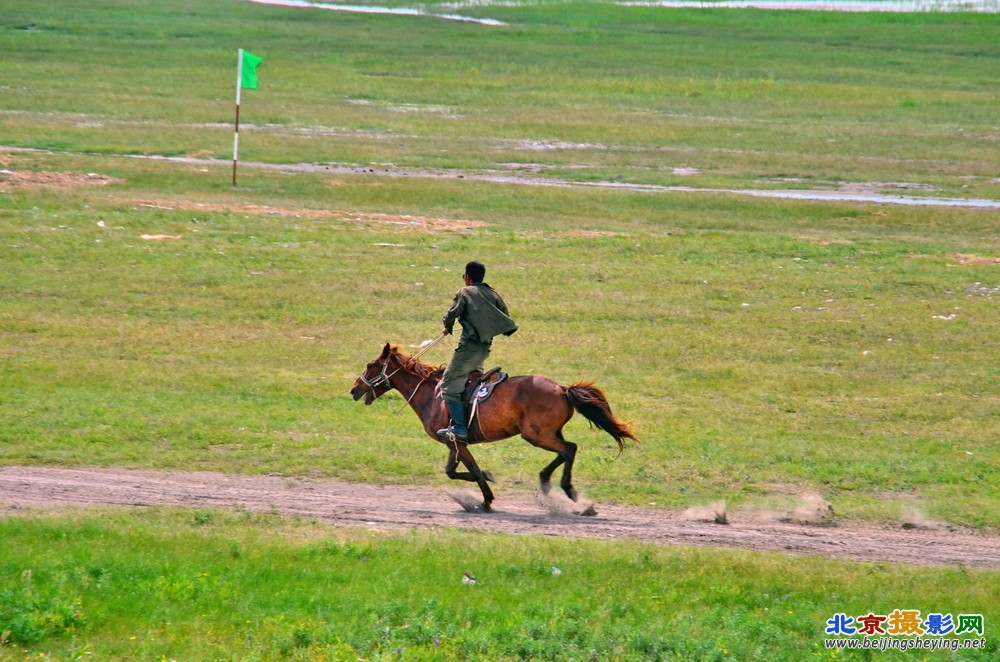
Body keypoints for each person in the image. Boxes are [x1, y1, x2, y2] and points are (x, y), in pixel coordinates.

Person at [437, 261, 517, 442]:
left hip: (468, 349)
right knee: (472, 382)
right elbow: (503, 315)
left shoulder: (465, 292)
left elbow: (452, 314)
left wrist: (447, 326)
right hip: (484, 348)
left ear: (468, 277)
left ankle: (459, 428)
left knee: (448, 385)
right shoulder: (493, 294)